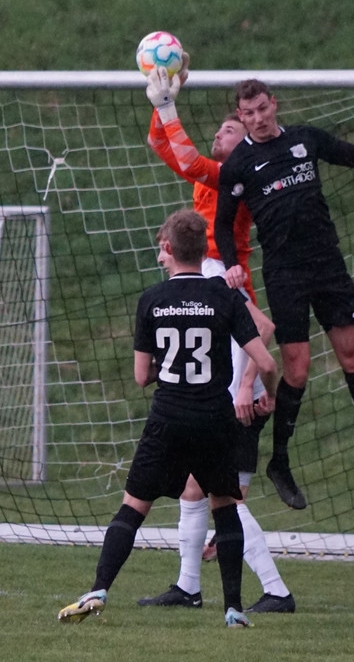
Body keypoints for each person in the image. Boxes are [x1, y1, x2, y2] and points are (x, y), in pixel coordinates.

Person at [214, 79, 354, 510]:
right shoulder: (238, 164)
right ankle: (280, 463)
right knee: (297, 368)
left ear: (274, 104)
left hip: (328, 265)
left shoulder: (305, 139)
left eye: (263, 108)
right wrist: (231, 264)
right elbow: (223, 224)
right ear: (241, 115)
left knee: (352, 355)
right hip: (285, 273)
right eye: (249, 113)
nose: (258, 118)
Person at [58, 208, 278, 629]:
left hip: (168, 416)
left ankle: (99, 589)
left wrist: (172, 368)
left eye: (161, 250)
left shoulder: (152, 300)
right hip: (214, 418)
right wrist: (268, 392)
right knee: (224, 507)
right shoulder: (224, 296)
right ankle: (233, 608)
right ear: (203, 250)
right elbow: (266, 361)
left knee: (133, 507)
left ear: (167, 248)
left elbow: (142, 376)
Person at [137, 60, 296, 614]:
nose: (219, 135)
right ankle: (188, 587)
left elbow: (263, 328)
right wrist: (160, 105)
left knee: (219, 491)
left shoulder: (234, 179)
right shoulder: (210, 189)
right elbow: (166, 149)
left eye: (229, 129)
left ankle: (275, 590)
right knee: (194, 487)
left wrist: (166, 104)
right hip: (210, 309)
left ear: (246, 142)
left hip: (227, 345)